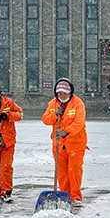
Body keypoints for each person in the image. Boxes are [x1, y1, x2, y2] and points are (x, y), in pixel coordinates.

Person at [41, 78, 88, 208]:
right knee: (62, 172)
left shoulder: (78, 103)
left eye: (64, 93)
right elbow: (45, 120)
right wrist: (55, 114)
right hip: (58, 145)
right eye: (59, 93)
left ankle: (75, 196)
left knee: (74, 171)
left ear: (70, 92)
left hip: (75, 144)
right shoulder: (53, 103)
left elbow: (79, 123)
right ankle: (64, 195)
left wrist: (66, 131)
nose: (61, 95)